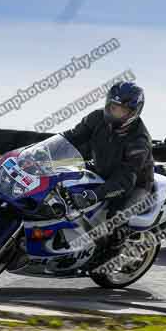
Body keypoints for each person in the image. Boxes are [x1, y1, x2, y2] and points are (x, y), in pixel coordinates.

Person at [62, 81, 154, 253]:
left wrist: (95, 195)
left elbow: (125, 180)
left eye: (122, 110)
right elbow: (72, 137)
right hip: (101, 169)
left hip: (135, 183)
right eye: (113, 107)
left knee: (115, 220)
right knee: (62, 187)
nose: (116, 113)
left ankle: (114, 254)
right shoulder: (96, 118)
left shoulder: (139, 140)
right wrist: (40, 152)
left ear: (134, 112)